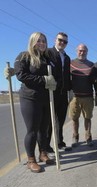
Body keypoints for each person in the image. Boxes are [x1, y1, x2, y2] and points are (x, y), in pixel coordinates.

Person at [3, 32, 56, 173]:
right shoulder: (24, 56)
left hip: (46, 97)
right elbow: (22, 74)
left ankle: (43, 153)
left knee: (43, 130)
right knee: (32, 130)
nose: (42, 43)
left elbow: (53, 76)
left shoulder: (47, 58)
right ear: (33, 42)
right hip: (30, 98)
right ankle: (31, 160)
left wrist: (53, 82)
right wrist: (43, 80)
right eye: (39, 41)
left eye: (44, 41)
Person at [46, 32, 71, 154]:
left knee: (60, 120)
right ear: (55, 40)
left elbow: (67, 75)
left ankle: (59, 142)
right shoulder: (47, 53)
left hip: (63, 93)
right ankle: (46, 146)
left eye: (65, 41)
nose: (62, 43)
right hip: (51, 92)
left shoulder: (66, 57)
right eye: (60, 40)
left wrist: (69, 89)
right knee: (49, 120)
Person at [69, 44, 97, 146]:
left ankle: (88, 137)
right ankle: (75, 136)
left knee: (87, 118)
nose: (82, 52)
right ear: (77, 51)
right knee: (74, 118)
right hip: (75, 97)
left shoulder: (92, 65)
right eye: (80, 50)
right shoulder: (71, 63)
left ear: (87, 52)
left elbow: (95, 80)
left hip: (88, 96)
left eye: (84, 51)